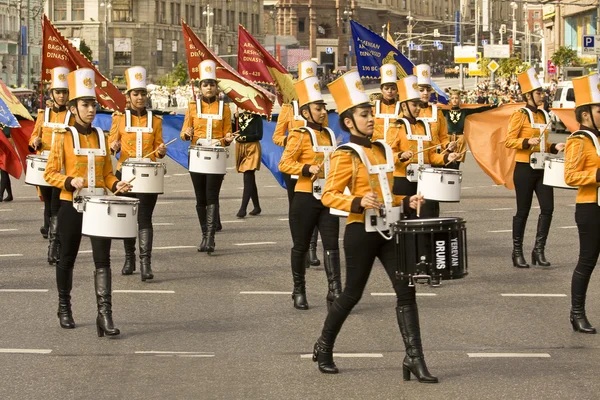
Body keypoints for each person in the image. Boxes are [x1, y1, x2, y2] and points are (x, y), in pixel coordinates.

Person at [312, 71, 435, 383]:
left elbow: (385, 194)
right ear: (350, 122)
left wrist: (405, 201)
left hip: (389, 230)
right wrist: (356, 202)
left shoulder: (381, 150)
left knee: (406, 292)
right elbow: (328, 195)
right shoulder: (345, 154)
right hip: (360, 234)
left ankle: (414, 357)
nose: (371, 119)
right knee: (352, 293)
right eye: (364, 115)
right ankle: (324, 346)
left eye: (370, 114)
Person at [44, 68, 132, 336]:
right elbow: (50, 173)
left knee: (103, 261)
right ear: (73, 107)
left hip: (99, 206)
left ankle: (104, 315)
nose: (91, 109)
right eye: (85, 104)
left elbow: (106, 172)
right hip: (71, 205)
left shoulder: (102, 137)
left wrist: (116, 184)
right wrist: (70, 181)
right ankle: (64, 307)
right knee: (67, 258)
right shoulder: (62, 137)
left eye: (93, 104)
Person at [278, 76, 341, 310]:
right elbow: (284, 163)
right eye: (318, 108)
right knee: (301, 246)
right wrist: (306, 168)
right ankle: (298, 290)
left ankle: (335, 290)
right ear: (306, 113)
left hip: (328, 198)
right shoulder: (299, 135)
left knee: (332, 245)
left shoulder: (330, 135)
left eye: (324, 107)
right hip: (305, 198)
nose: (323, 112)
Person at [108, 66, 166, 280]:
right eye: (136, 94)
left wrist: (161, 151)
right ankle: (129, 258)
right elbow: (110, 147)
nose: (140, 97)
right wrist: (113, 146)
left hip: (148, 178)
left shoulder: (156, 121)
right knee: (128, 218)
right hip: (125, 175)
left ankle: (145, 263)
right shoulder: (119, 119)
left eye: (143, 93)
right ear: (128, 96)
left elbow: (159, 148)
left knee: (144, 219)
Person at [505, 67, 565, 269]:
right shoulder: (519, 114)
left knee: (548, 208)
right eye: (538, 92)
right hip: (524, 168)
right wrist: (525, 142)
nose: (542, 95)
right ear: (528, 95)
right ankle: (517, 252)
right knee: (523, 211)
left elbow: (542, 144)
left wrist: (553, 147)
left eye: (542, 92)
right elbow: (509, 141)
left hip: (543, 168)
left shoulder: (544, 116)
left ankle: (538, 250)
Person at [272, 60, 325, 268]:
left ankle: (312, 249)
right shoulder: (288, 107)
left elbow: (324, 135)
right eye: (303, 82)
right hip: (294, 168)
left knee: (315, 206)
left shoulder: (319, 110)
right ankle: (300, 247)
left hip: (315, 168)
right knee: (296, 209)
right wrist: (292, 140)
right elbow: (277, 137)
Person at [180, 59, 233, 254]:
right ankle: (204, 234)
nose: (209, 87)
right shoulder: (192, 107)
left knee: (212, 195)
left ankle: (210, 238)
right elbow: (184, 132)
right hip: (196, 156)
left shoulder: (225, 108)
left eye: (212, 84)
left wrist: (227, 139)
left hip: (216, 157)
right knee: (200, 197)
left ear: (216, 87)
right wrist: (187, 133)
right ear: (200, 87)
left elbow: (227, 135)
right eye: (205, 84)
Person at [564, 73, 600, 334]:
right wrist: (596, 176)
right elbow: (570, 176)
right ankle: (577, 313)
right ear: (586, 113)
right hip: (590, 208)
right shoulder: (578, 140)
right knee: (587, 261)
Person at [29, 67, 72, 264]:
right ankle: (54, 242)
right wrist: (35, 142)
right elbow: (33, 137)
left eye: (64, 92)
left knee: (56, 207)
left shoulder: (71, 116)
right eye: (58, 92)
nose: (61, 96)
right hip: (44, 169)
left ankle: (53, 248)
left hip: (62, 169)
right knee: (48, 206)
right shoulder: (42, 115)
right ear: (51, 94)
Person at [441, 89, 496, 169]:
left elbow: (478, 110)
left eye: (456, 98)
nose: (455, 100)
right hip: (448, 140)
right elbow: (433, 111)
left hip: (460, 139)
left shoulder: (464, 111)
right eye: (452, 98)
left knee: (456, 164)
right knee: (446, 162)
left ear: (459, 99)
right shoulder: (445, 112)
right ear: (450, 100)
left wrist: (493, 106)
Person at [234, 108, 262, 218]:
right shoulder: (238, 116)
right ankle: (257, 206)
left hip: (252, 147)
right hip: (240, 148)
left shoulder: (257, 118)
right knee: (250, 179)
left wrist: (244, 137)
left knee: (248, 175)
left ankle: (243, 208)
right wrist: (234, 119)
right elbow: (233, 131)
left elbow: (259, 135)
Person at [372, 63, 400, 142]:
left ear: (397, 90)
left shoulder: (402, 108)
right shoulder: (373, 107)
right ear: (381, 90)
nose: (390, 91)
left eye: (393, 89)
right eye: (386, 88)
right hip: (376, 146)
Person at [0, 126, 13, 202]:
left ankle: (0, 194)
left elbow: (7, 132)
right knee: (4, 170)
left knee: (3, 169)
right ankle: (10, 194)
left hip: (5, 144)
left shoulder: (6, 115)